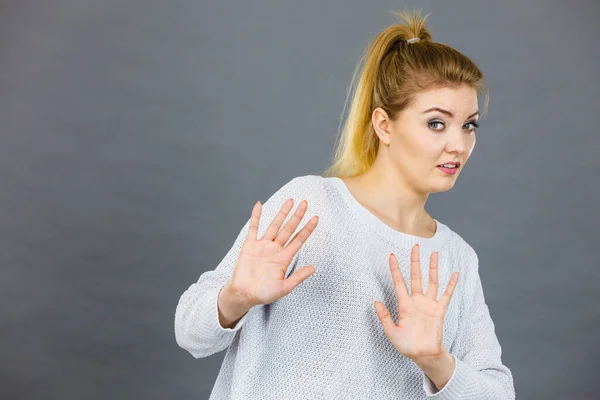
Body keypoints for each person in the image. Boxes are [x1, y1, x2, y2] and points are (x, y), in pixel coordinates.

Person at [174, 9, 515, 399]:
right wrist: (236, 297)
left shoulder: (456, 257)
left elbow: (498, 392)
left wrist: (436, 360)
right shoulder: (310, 206)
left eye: (469, 124)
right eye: (436, 123)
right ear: (384, 124)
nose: (458, 144)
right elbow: (189, 333)